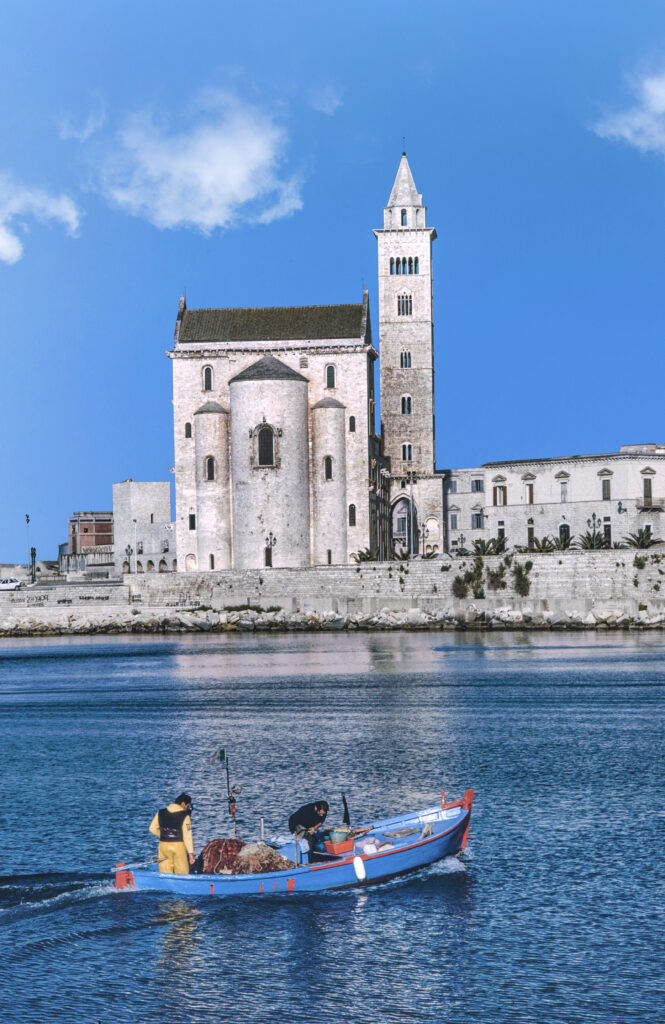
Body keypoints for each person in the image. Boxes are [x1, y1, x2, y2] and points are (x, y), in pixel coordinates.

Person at [149, 793, 195, 874]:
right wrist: (191, 854)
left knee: (164, 872)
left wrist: (164, 834)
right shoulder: (185, 816)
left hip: (163, 845)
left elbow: (152, 828)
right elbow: (187, 836)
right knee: (182, 872)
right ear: (183, 804)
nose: (187, 809)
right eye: (187, 806)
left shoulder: (161, 812)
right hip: (178, 846)